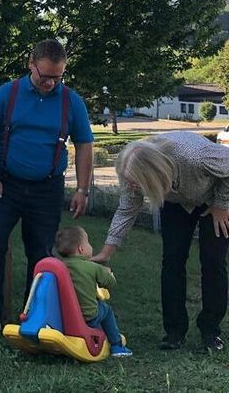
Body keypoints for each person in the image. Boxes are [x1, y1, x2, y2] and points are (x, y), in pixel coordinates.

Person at [0, 39, 94, 337]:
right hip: (6, 185)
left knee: (41, 253)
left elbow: (85, 144)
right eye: (45, 76)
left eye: (57, 77)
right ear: (30, 64)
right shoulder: (7, 94)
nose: (51, 83)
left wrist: (83, 189)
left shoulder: (71, 101)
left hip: (47, 189)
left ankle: (33, 316)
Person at [92, 132, 229, 352]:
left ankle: (210, 331)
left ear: (152, 173)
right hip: (174, 201)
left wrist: (222, 204)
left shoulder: (195, 157)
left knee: (213, 261)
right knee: (172, 260)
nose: (132, 187)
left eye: (136, 183)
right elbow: (127, 210)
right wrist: (107, 252)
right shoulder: (132, 167)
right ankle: (174, 331)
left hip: (213, 198)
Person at [54, 226, 132, 357]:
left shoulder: (60, 266)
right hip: (88, 315)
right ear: (81, 249)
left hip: (66, 316)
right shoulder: (93, 267)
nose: (90, 246)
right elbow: (111, 284)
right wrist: (109, 273)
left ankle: (100, 333)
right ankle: (117, 345)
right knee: (106, 310)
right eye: (88, 242)